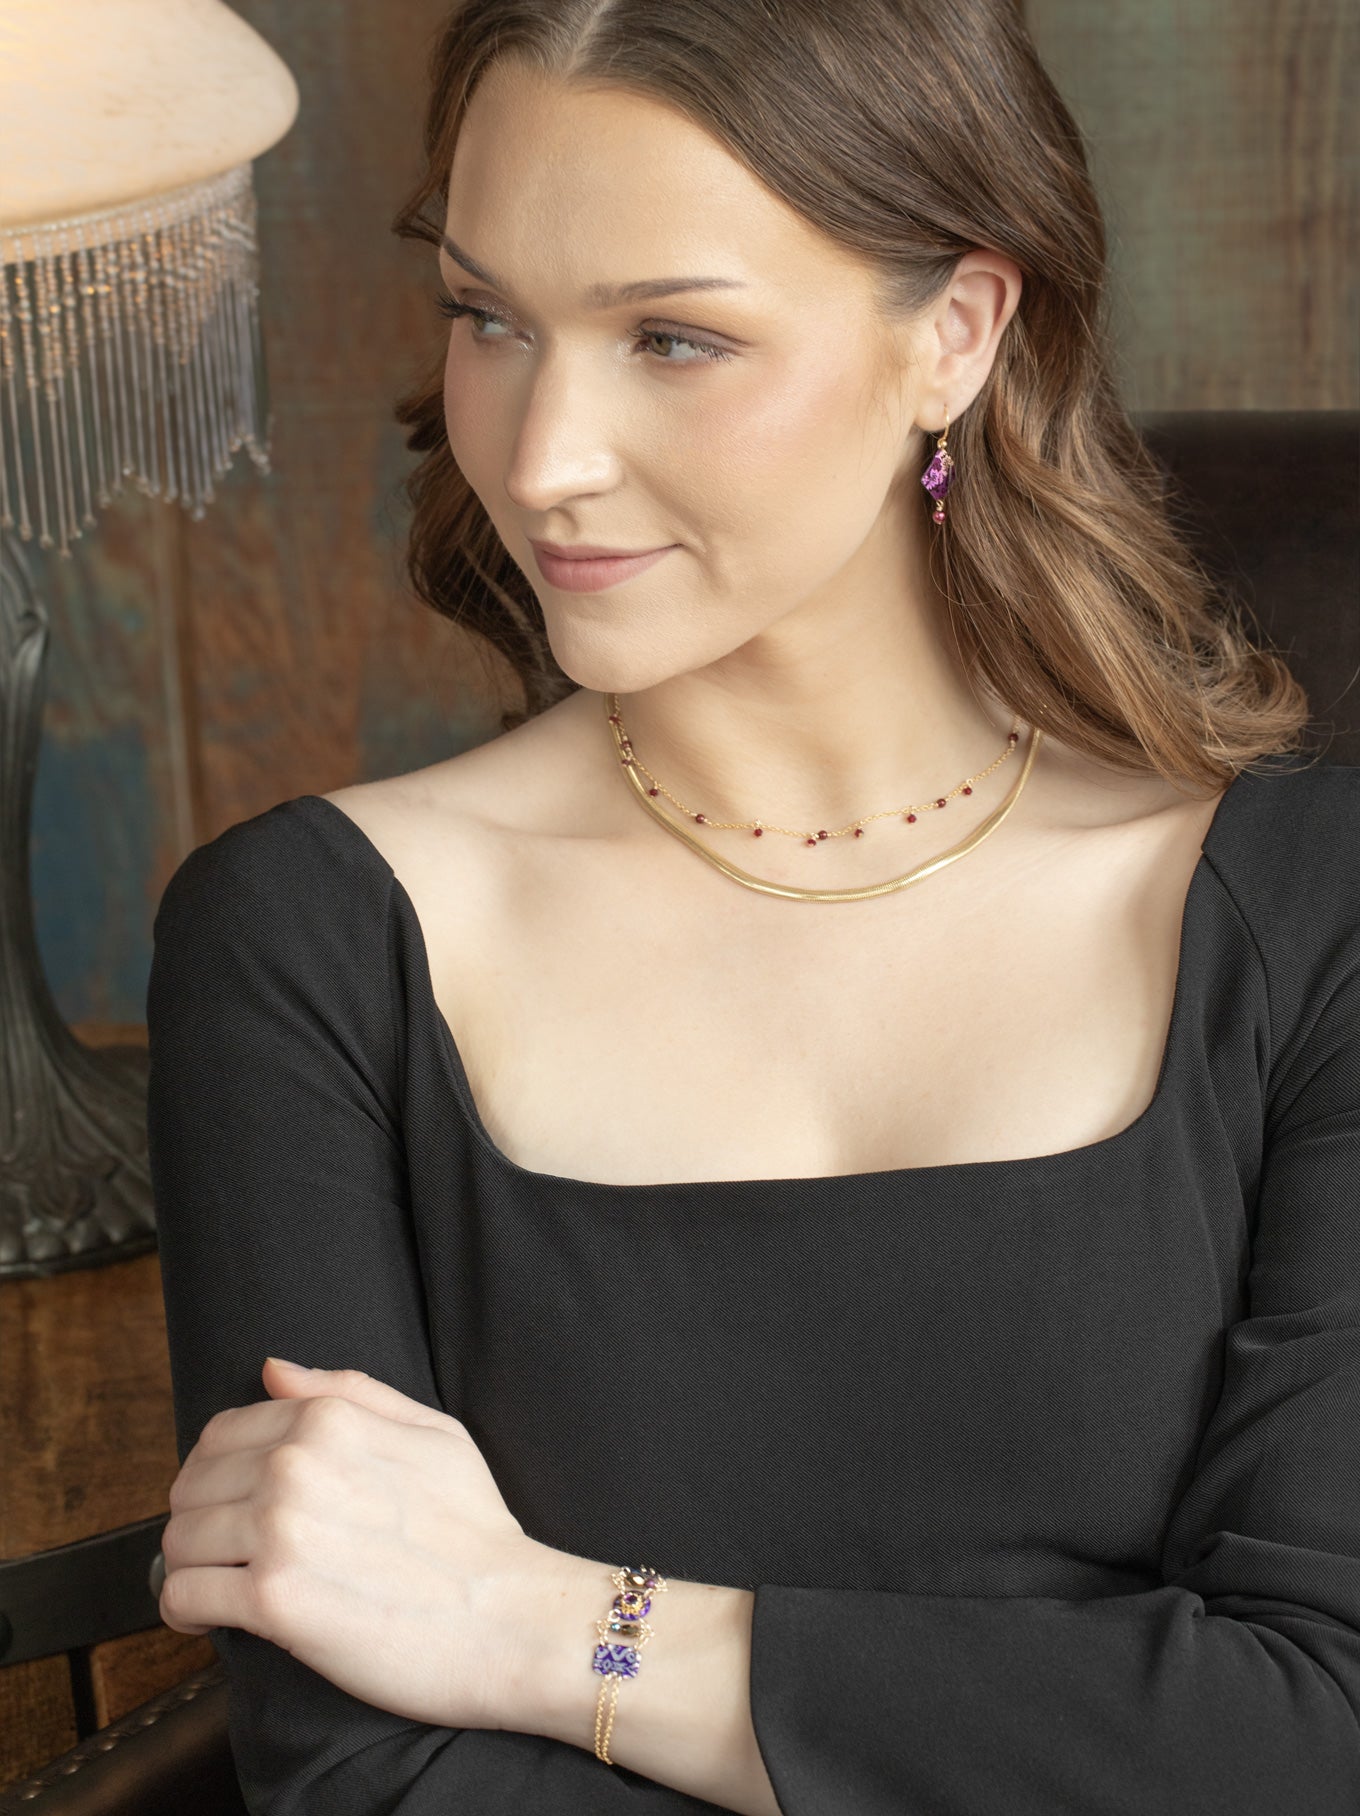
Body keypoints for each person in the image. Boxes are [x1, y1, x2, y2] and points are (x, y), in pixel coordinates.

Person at [144, 2, 1360, 1812]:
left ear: (956, 331)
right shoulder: (312, 941)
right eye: (490, 317)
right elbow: (370, 1785)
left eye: (675, 337)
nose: (543, 453)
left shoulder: (1310, 911)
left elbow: (1311, 1727)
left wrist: (552, 1629)